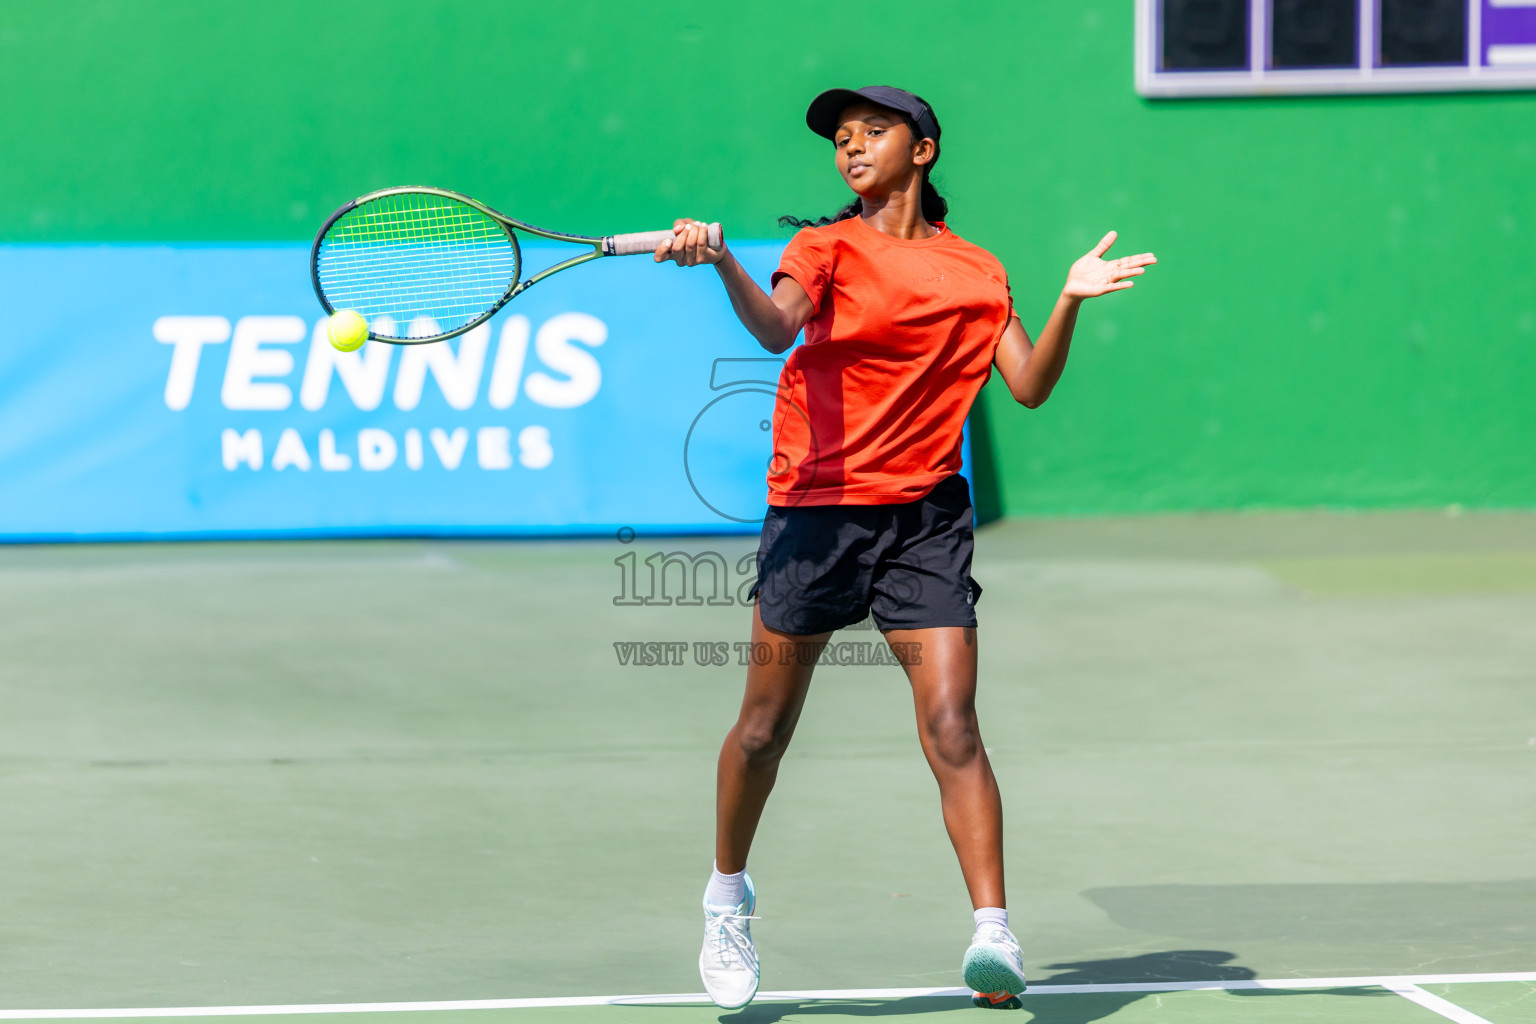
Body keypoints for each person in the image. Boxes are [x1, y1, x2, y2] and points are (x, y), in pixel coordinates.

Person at [656, 85, 1155, 1011]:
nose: (850, 149)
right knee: (763, 731)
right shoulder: (826, 247)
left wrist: (1069, 301)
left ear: (922, 149)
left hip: (923, 521)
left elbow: (1030, 384)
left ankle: (993, 933)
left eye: (871, 133)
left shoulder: (978, 272)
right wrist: (724, 257)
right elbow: (775, 329)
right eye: (840, 139)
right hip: (816, 517)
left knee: (954, 725)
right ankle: (728, 895)